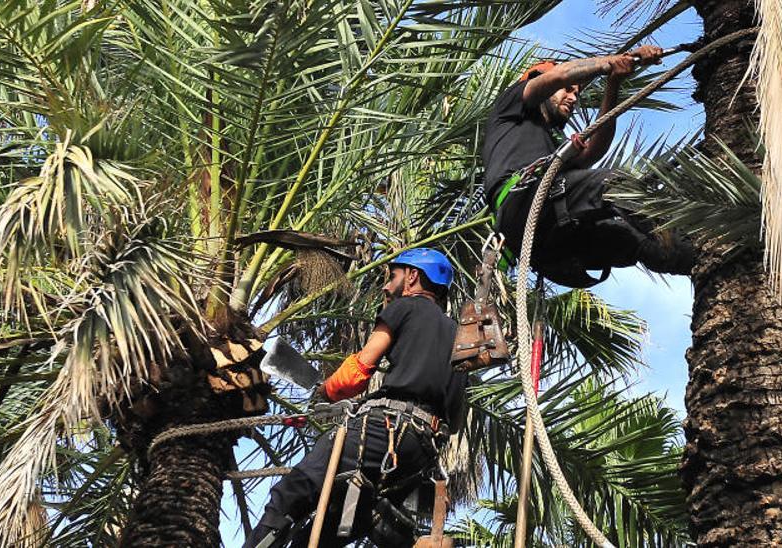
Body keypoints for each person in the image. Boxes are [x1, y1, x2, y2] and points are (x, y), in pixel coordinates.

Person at [244, 248, 467, 548]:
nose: (387, 287)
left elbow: (361, 368)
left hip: (383, 431)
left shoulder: (405, 307)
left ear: (413, 277)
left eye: (393, 277)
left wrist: (326, 391)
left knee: (295, 490)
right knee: (335, 528)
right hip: (420, 452)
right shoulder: (458, 334)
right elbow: (456, 411)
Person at [482, 46, 695, 288]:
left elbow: (595, 150)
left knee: (627, 238)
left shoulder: (553, 147)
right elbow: (560, 75)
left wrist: (613, 83)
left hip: (547, 232)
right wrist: (613, 62)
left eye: (576, 93)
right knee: (613, 183)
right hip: (520, 203)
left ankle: (699, 259)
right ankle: (679, 237)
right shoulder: (511, 106)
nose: (573, 98)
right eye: (568, 91)